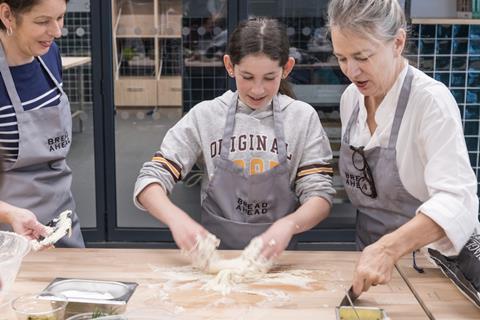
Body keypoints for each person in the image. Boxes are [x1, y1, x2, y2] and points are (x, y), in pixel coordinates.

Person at [134, 17, 335, 259]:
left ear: (287, 68)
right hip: (214, 260)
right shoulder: (205, 116)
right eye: (247, 77)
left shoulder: (302, 118)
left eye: (269, 78)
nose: (257, 90)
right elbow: (150, 179)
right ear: (230, 66)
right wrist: (177, 219)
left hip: (279, 264)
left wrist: (289, 225)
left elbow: (320, 195)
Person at [328, 0, 480, 297]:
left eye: (362, 56)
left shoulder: (430, 102)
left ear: (398, 42)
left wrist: (388, 248)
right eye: (342, 58)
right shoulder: (351, 99)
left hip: (436, 265)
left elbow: (457, 200)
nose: (351, 70)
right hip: (374, 266)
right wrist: (379, 252)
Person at [0, 0, 84, 247]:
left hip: (63, 220)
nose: (57, 31)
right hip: (10, 234)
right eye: (42, 21)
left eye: (60, 18)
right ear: (7, 15)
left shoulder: (49, 55)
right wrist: (10, 214)